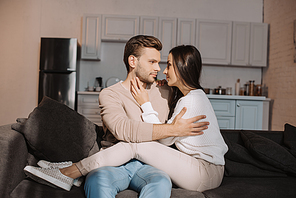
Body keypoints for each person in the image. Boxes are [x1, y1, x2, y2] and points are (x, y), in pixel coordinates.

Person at [24, 35, 209, 197]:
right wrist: (171, 129)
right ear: (132, 61)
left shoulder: (165, 90)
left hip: (151, 165)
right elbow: (123, 130)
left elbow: (190, 85)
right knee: (97, 182)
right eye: (152, 62)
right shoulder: (110, 94)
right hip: (112, 165)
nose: (159, 69)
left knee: (161, 183)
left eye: (159, 63)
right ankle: (67, 174)